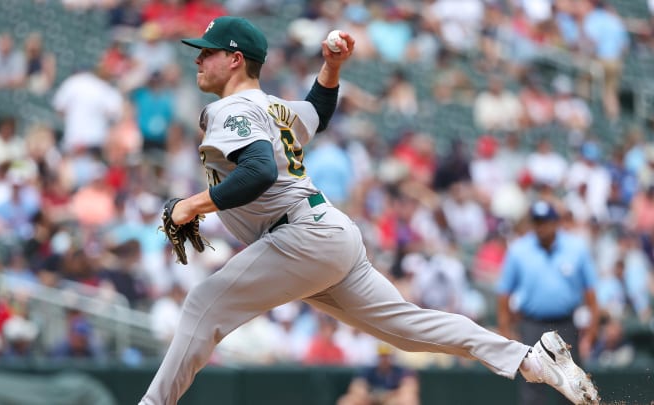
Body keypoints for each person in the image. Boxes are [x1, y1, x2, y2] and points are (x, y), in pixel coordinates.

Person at [138, 17, 599, 405]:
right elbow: (318, 110)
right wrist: (331, 67)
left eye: (208, 51)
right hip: (326, 235)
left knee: (202, 304)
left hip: (300, 237)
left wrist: (189, 206)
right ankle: (530, 359)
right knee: (407, 328)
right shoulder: (271, 107)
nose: (198, 58)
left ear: (235, 59)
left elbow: (258, 171)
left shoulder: (232, 108)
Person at [497, 200, 600, 405]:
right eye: (537, 222)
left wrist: (592, 331)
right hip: (532, 325)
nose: (541, 226)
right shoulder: (519, 250)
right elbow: (503, 294)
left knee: (573, 387)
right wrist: (506, 330)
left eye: (545, 221)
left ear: (556, 222)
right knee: (533, 386)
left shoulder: (575, 247)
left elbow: (590, 293)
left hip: (566, 326)